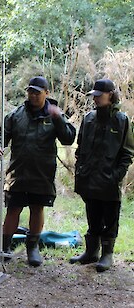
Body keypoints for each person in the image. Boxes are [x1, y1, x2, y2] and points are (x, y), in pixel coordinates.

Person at [0, 76, 76, 266]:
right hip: (17, 173)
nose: (33, 96)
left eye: (37, 92)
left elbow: (68, 139)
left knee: (37, 208)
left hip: (42, 174)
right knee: (13, 210)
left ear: (47, 93)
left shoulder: (55, 115)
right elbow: (2, 136)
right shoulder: (16, 115)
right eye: (30, 92)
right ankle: (4, 248)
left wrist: (58, 117)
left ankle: (32, 248)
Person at [70, 79, 134, 272]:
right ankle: (91, 252)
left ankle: (107, 254)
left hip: (109, 180)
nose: (95, 98)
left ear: (111, 95)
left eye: (99, 95)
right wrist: (80, 169)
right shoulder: (89, 118)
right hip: (89, 178)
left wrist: (116, 175)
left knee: (110, 216)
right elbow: (80, 147)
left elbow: (127, 152)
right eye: (94, 95)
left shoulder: (122, 120)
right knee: (93, 215)